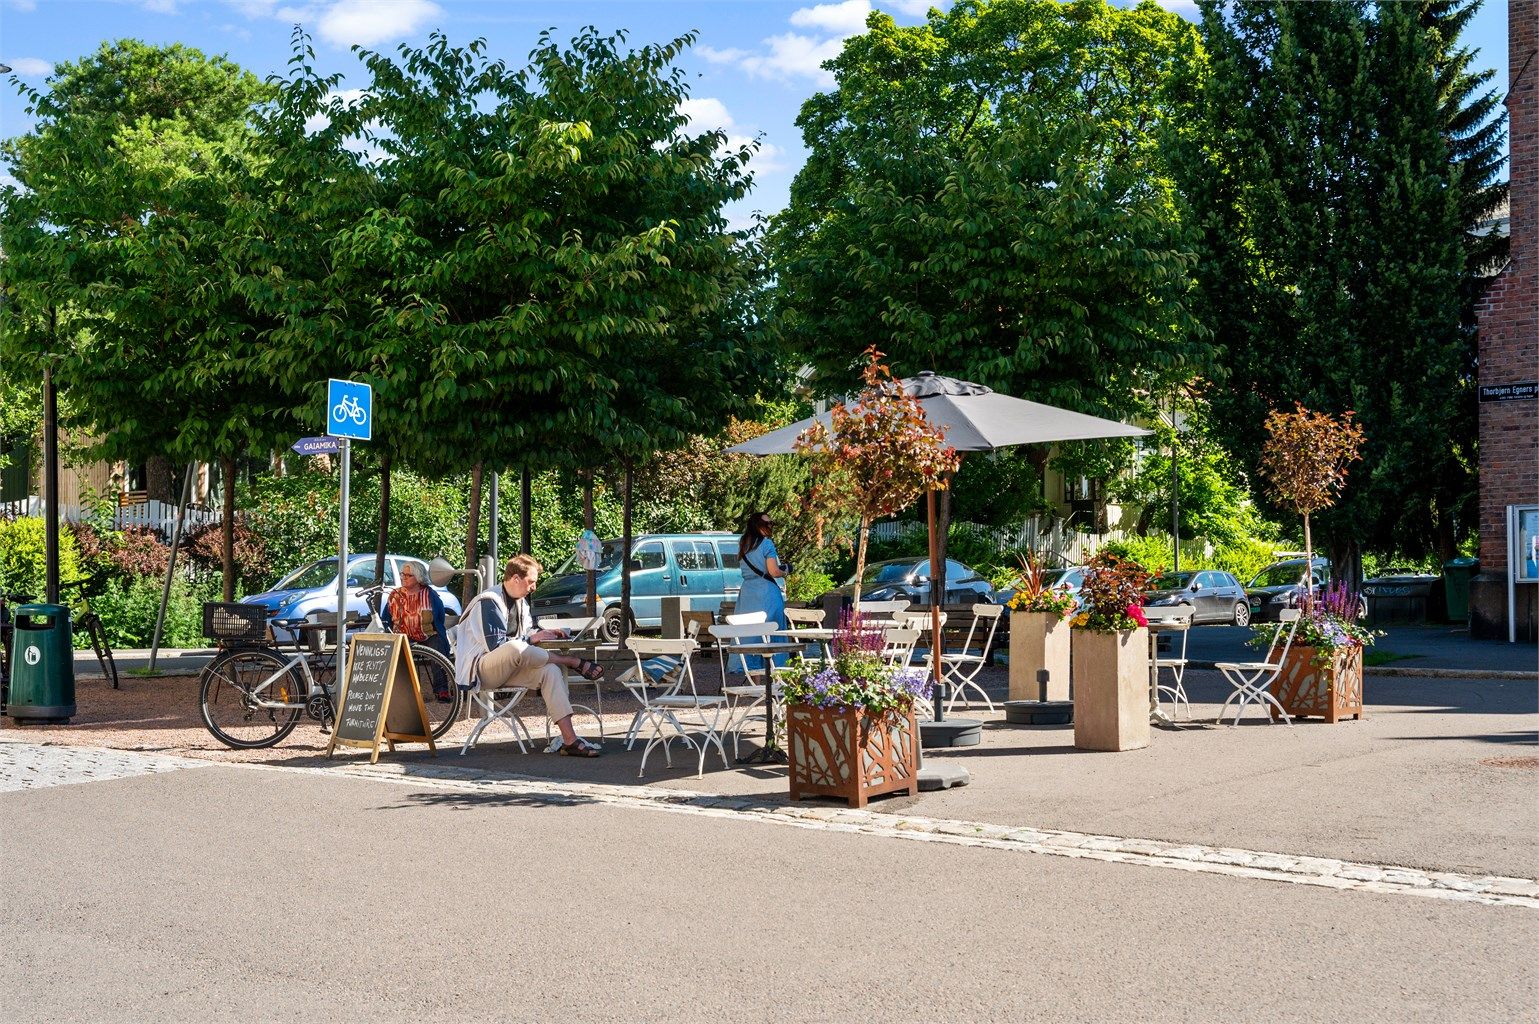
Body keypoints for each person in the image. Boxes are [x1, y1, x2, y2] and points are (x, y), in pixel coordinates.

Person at [454, 554, 605, 757]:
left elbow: (525, 635)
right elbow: (496, 645)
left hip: (511, 667)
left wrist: (544, 634)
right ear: (516, 578)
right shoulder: (489, 601)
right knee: (516, 648)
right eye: (531, 581)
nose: (534, 587)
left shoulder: (520, 603)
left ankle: (570, 740)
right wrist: (532, 640)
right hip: (482, 669)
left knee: (550, 671)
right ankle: (570, 661)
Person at [381, 562, 452, 701]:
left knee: (438, 648)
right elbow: (386, 618)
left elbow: (440, 617)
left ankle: (441, 690)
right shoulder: (395, 595)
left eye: (408, 575)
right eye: (403, 574)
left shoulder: (430, 595)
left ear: (419, 578)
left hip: (427, 634)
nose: (404, 577)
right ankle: (409, 694)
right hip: (403, 635)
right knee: (400, 653)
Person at [735, 511, 788, 672]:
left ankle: (754, 677)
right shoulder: (767, 544)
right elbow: (773, 571)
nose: (770, 526)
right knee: (773, 631)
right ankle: (776, 672)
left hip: (748, 593)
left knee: (750, 633)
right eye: (767, 523)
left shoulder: (743, 544)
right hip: (767, 592)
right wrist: (785, 570)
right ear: (757, 526)